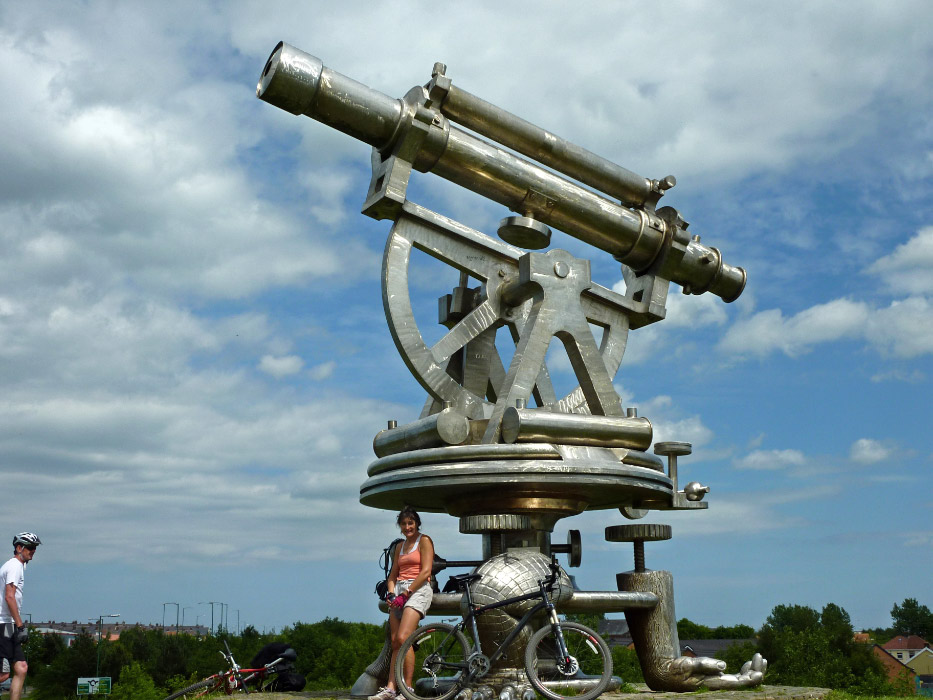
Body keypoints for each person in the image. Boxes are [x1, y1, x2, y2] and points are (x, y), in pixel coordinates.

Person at [369, 508, 434, 700]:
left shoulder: (424, 541)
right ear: (400, 526)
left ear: (417, 524)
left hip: (417, 588)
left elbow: (425, 571)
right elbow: (392, 575)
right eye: (404, 524)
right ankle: (391, 688)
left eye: (411, 523)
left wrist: (407, 593)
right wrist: (391, 593)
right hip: (398, 589)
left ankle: (407, 688)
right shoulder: (400, 547)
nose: (408, 527)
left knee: (406, 638)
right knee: (396, 640)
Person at [0, 532, 41, 700]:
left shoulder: (17, 566)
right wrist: (20, 626)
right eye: (30, 548)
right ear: (19, 548)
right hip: (3, 624)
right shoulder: (14, 566)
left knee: (21, 667)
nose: (33, 551)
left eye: (35, 548)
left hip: (9, 624)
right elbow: (10, 596)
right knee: (3, 674)